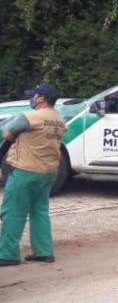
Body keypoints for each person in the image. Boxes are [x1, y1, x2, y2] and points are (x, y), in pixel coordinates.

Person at [0, 84, 66, 266]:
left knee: (13, 212)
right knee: (40, 212)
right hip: (48, 172)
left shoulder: (30, 117)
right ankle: (44, 252)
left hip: (25, 171)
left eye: (35, 95)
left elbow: (7, 133)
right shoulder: (59, 119)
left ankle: (7, 255)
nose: (32, 98)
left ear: (41, 98)